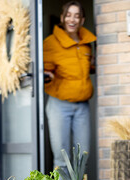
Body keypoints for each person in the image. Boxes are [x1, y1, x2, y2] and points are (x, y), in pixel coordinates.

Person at [43, 1, 96, 168]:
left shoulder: (87, 44)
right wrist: (46, 74)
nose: (72, 19)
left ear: (82, 20)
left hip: (82, 106)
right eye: (68, 15)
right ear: (62, 18)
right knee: (61, 156)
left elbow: (85, 67)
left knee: (83, 156)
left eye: (77, 16)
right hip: (60, 105)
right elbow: (44, 69)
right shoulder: (51, 42)